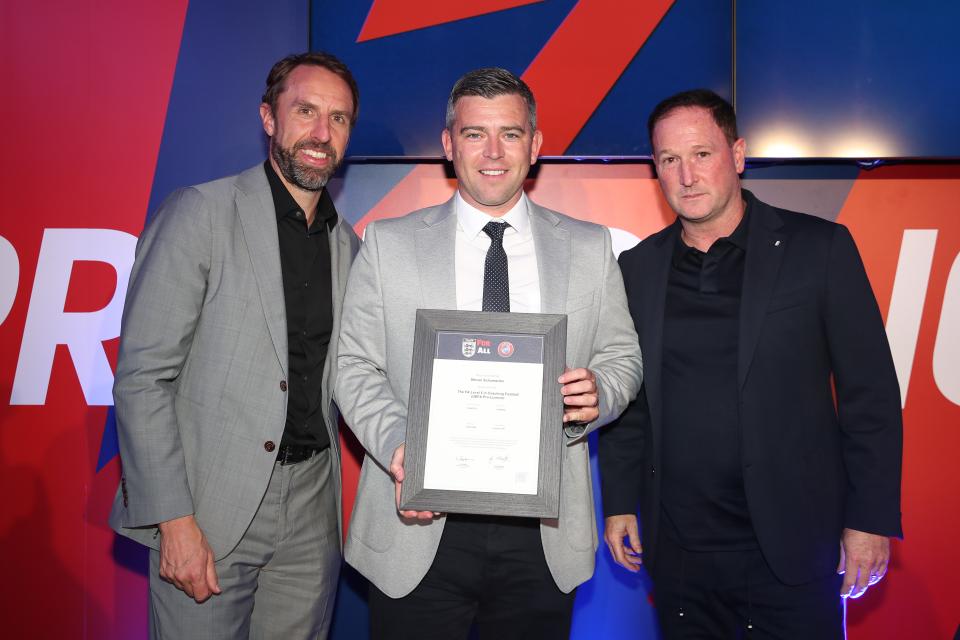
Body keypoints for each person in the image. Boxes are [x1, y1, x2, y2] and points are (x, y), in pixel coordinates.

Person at [334, 67, 643, 639]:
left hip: (542, 535)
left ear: (536, 145)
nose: (494, 152)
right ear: (450, 146)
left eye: (511, 133)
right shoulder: (388, 243)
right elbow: (353, 366)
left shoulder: (589, 245)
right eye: (476, 134)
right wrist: (403, 448)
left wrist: (601, 392)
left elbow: (622, 356)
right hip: (418, 526)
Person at [599, 89, 903, 638]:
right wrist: (619, 502)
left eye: (702, 154)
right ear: (656, 169)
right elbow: (633, 400)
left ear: (737, 155)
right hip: (681, 551)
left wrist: (869, 519)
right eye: (669, 160)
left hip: (794, 545)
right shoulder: (637, 268)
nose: (686, 175)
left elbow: (871, 395)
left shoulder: (820, 248)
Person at [109, 52, 361, 639]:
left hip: (311, 512)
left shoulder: (350, 246)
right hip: (208, 508)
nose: (322, 134)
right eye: (306, 112)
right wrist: (172, 520)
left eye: (340, 118)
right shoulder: (201, 213)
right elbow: (143, 378)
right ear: (268, 118)